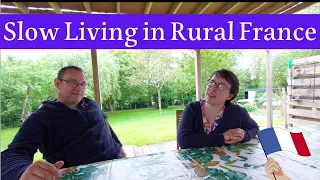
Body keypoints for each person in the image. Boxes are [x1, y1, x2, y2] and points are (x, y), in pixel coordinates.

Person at [1, 66, 126, 180]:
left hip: (116, 165)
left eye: (83, 84)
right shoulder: (41, 118)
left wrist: (119, 146)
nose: (79, 88)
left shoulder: (91, 104)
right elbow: (14, 153)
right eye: (73, 82)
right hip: (80, 175)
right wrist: (21, 172)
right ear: (57, 83)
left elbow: (105, 124)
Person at [177, 69, 259, 149]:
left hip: (227, 161)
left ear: (230, 96)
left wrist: (244, 136)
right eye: (212, 83)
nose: (212, 88)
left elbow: (254, 128)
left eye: (221, 86)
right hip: (194, 162)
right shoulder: (192, 109)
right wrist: (222, 138)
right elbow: (184, 141)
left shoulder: (238, 112)